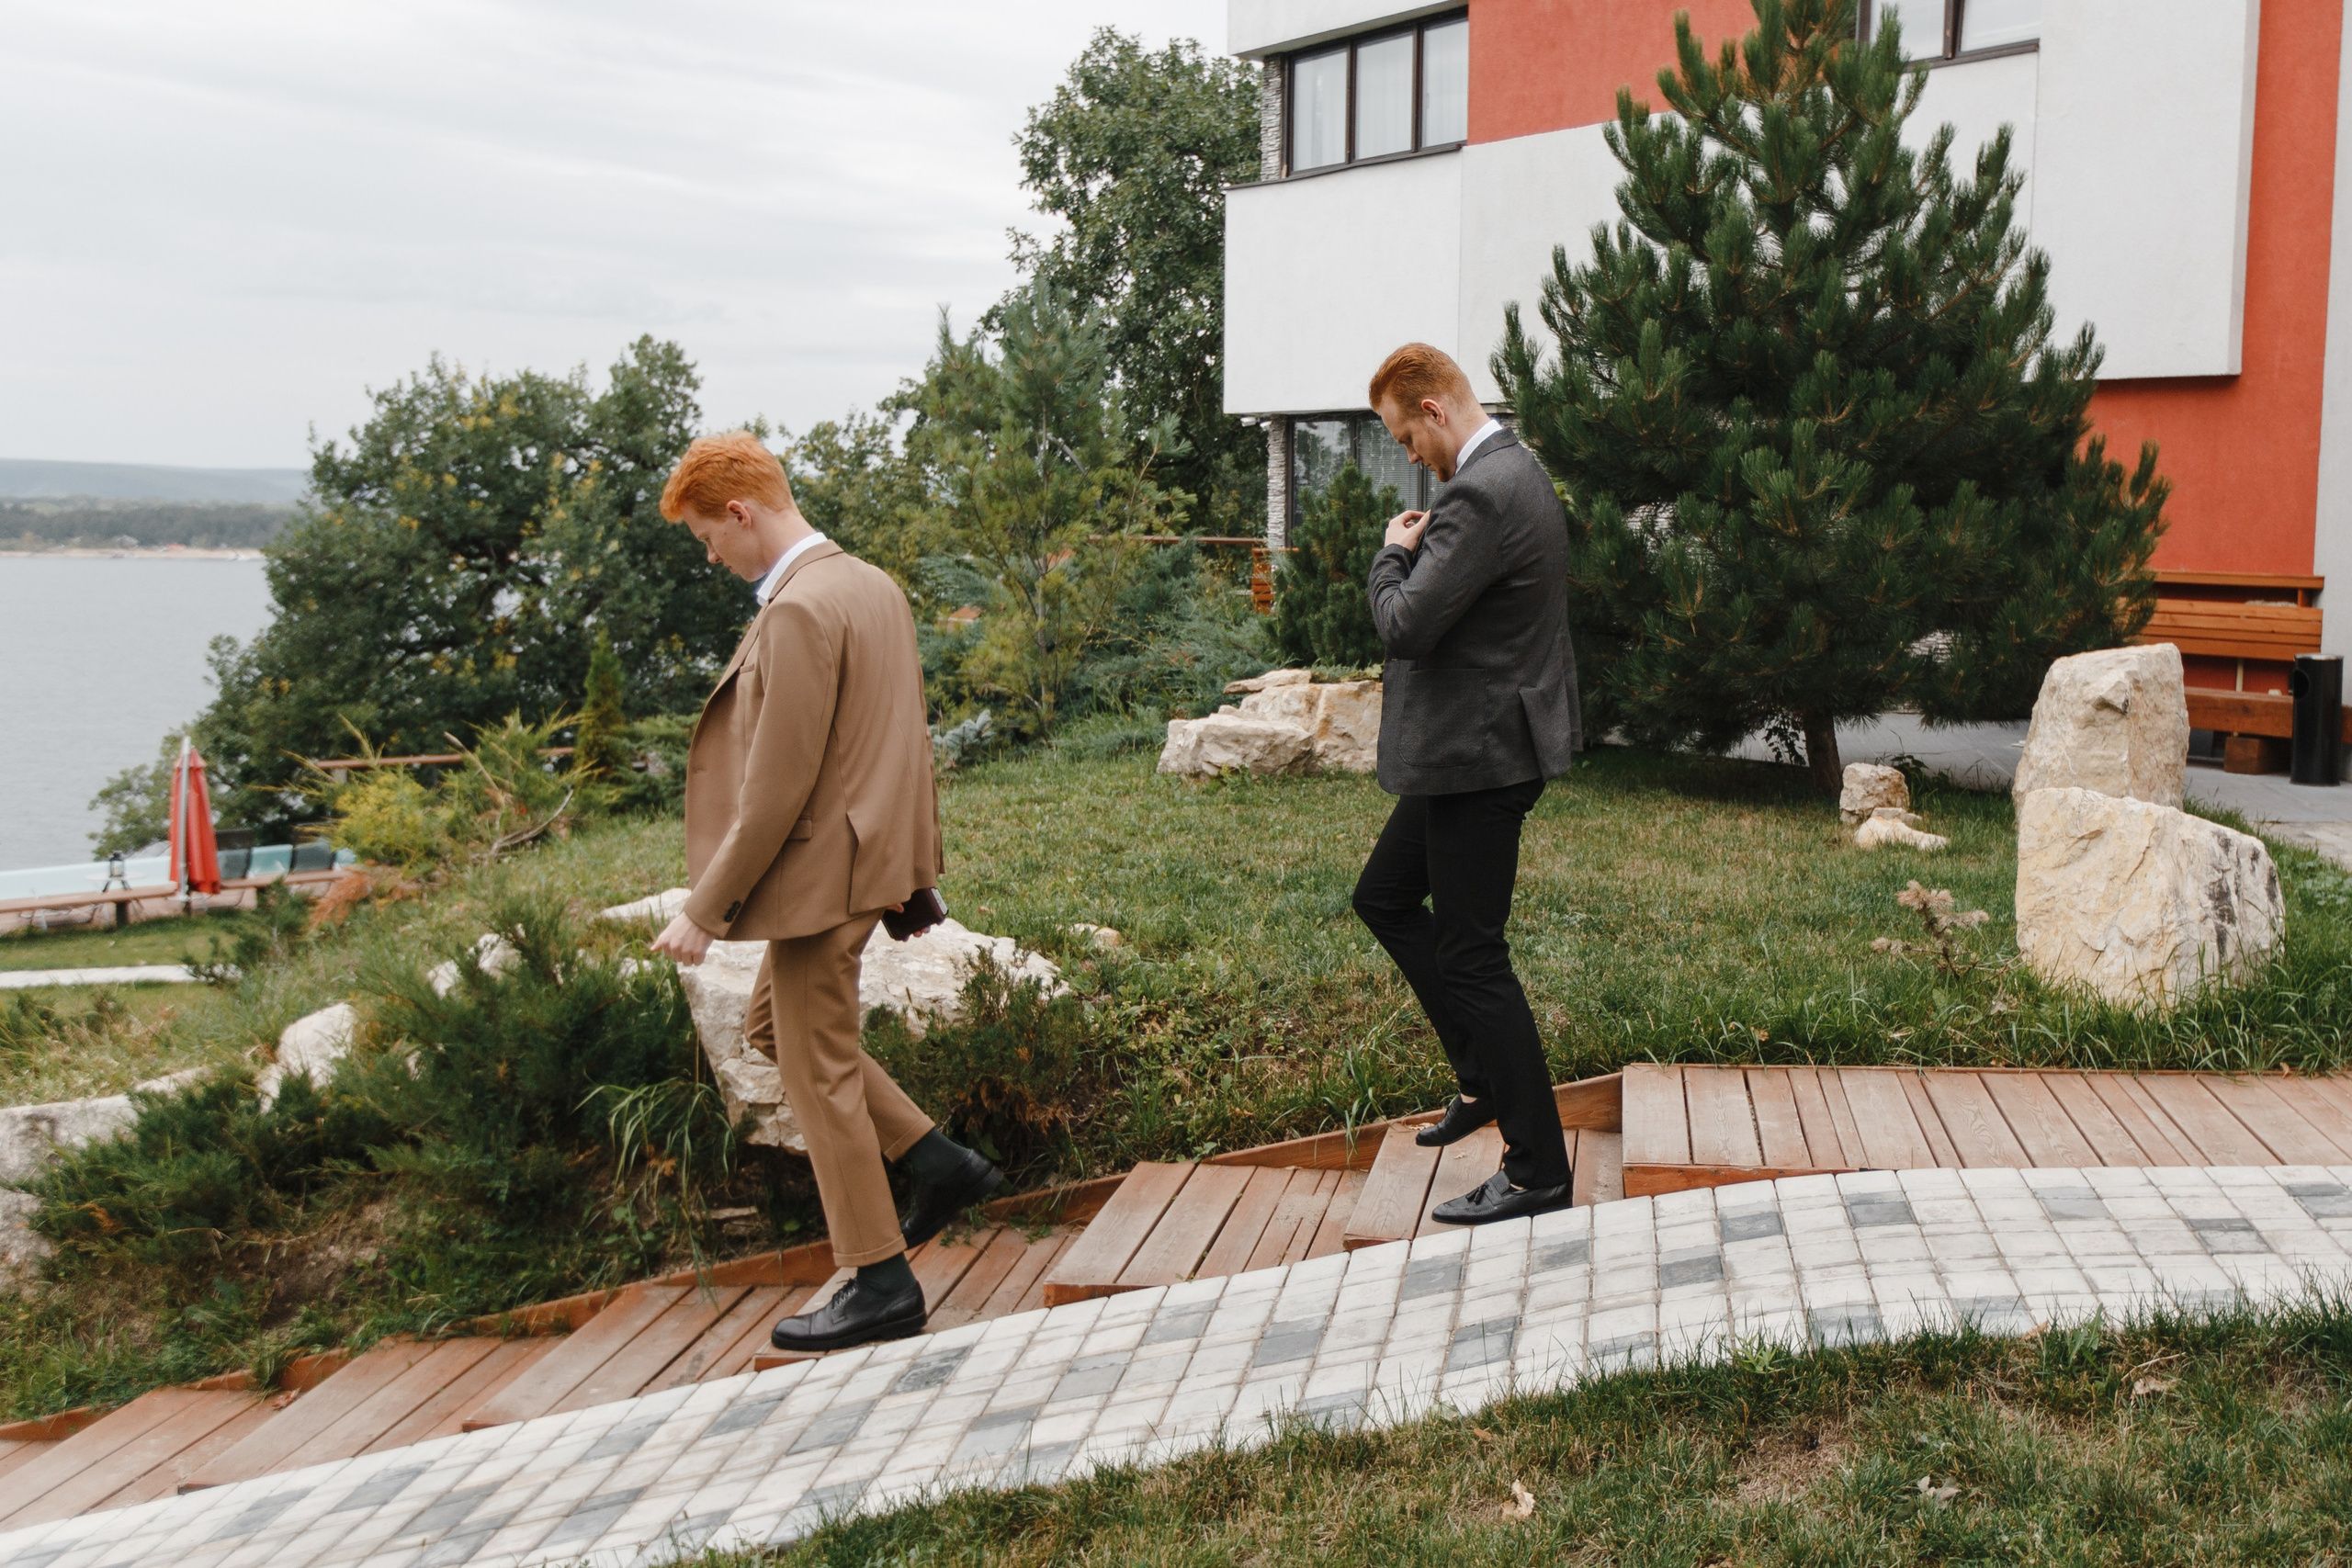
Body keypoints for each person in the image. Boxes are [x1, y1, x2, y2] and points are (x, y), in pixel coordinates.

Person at [649, 431, 1003, 1353]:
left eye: (707, 538)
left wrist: (704, 910)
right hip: (865, 860)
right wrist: (912, 870)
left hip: (820, 873)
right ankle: (937, 1161)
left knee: (817, 1063)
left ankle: (881, 1280)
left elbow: (777, 788)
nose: (710, 557)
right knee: (775, 1027)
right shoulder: (871, 584)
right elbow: (902, 740)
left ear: (740, 512)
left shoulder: (799, 609)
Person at [1352, 344, 1582, 1225]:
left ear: (1435, 410)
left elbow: (1406, 624)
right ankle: (1482, 1077)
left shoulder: (1482, 492)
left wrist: (1389, 556)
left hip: (1480, 758)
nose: (1409, 454)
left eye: (1405, 436)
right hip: (1478, 749)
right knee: (1384, 895)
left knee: (1474, 956)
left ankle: (1537, 1171)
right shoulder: (1518, 470)